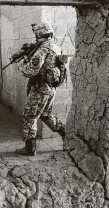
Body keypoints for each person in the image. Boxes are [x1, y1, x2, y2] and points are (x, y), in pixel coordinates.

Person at [16, 22, 66, 156]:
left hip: (40, 89)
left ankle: (29, 149)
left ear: (39, 34)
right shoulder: (55, 46)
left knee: (29, 117)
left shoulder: (43, 49)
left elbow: (30, 71)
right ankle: (66, 134)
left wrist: (20, 63)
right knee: (46, 115)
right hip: (50, 88)